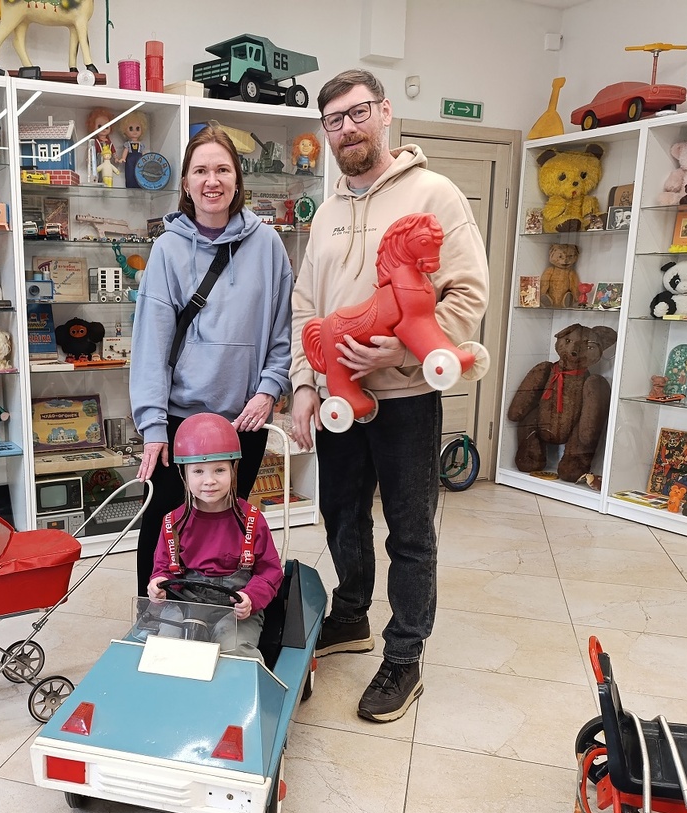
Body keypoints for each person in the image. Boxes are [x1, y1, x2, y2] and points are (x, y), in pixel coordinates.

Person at [289, 69, 489, 723]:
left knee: (409, 530)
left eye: (357, 113)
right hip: (338, 399)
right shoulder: (325, 214)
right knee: (341, 516)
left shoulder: (435, 194)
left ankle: (405, 654)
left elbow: (466, 295)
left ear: (384, 112)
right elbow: (305, 308)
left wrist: (400, 352)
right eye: (334, 120)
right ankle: (351, 616)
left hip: (405, 399)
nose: (347, 128)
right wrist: (304, 383)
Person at [130, 124, 294, 598]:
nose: (212, 180)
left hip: (244, 420)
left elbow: (284, 330)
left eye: (222, 169)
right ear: (185, 183)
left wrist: (269, 389)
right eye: (200, 170)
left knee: (229, 531)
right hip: (179, 422)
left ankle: (220, 616)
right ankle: (153, 617)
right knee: (164, 528)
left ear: (237, 179)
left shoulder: (268, 245)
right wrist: (153, 426)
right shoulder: (167, 248)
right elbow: (151, 345)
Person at [145, 413, 283, 661]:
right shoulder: (172, 523)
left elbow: (270, 572)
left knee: (234, 651)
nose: (209, 481)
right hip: (184, 604)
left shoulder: (252, 520)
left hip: (237, 608)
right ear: (184, 474)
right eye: (198, 471)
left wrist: (251, 597)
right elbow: (162, 569)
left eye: (219, 470)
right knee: (165, 649)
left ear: (233, 470)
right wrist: (158, 583)